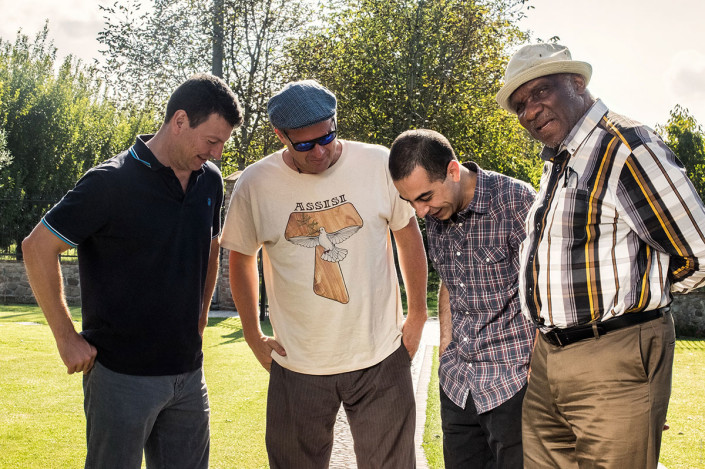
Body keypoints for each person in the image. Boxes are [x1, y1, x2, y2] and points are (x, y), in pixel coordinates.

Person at [496, 43, 705, 468]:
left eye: (539, 93)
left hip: (614, 351)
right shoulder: (560, 159)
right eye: (520, 105)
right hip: (549, 356)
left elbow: (699, 252)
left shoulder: (626, 147)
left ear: (577, 83)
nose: (530, 111)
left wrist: (639, 295)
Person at [22, 74, 243, 469]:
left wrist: (201, 315)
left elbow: (212, 247)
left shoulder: (210, 181)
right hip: (120, 377)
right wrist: (65, 337)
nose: (219, 153)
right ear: (179, 121)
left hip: (188, 375)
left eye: (223, 142)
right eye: (212, 141)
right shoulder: (110, 182)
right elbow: (37, 247)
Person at [221, 79, 428, 468]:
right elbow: (241, 257)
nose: (319, 151)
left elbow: (407, 233)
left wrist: (418, 313)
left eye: (327, 137)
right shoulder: (255, 184)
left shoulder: (378, 163)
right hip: (298, 364)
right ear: (280, 135)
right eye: (303, 144)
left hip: (380, 358)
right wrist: (251, 333)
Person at [388, 129, 536, 468]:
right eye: (410, 202)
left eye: (424, 197)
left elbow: (546, 289)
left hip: (513, 383)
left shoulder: (517, 202)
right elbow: (449, 282)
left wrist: (538, 371)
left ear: (453, 171)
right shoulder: (438, 213)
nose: (420, 211)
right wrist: (445, 345)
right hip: (458, 385)